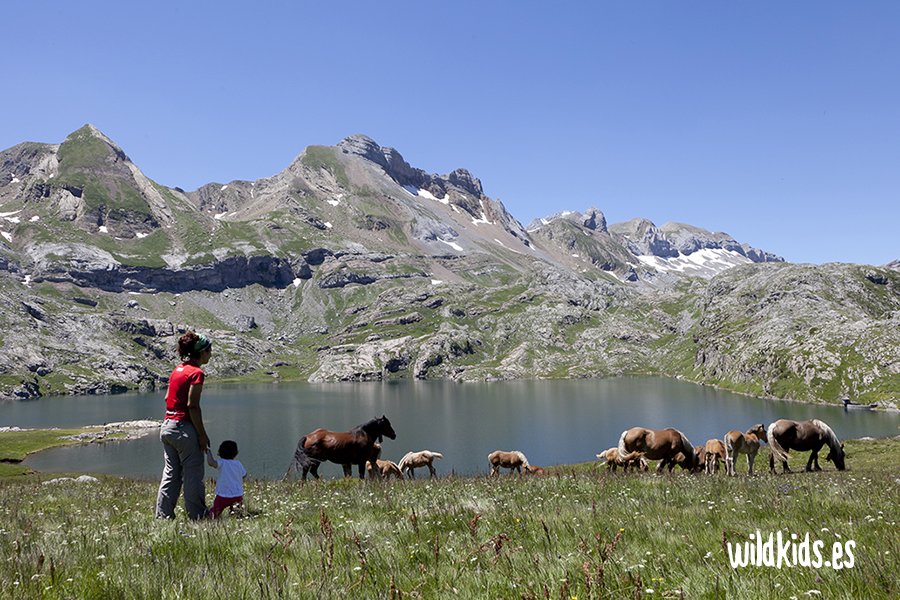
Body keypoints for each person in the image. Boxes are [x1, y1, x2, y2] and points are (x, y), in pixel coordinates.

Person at [155, 331, 213, 520]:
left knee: (171, 474)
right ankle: (198, 517)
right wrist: (202, 435)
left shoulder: (178, 369)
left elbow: (167, 398)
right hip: (183, 428)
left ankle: (163, 516)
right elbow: (192, 405)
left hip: (167, 426)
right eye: (209, 350)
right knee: (193, 473)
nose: (211, 354)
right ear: (202, 352)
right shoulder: (196, 373)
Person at [206, 440, 247, 518]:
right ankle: (234, 519)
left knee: (215, 512)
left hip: (222, 495)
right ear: (236, 453)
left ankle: (211, 520)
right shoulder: (238, 464)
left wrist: (208, 453)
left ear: (220, 452)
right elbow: (244, 474)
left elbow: (211, 463)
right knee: (236, 513)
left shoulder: (222, 463)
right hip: (237, 494)